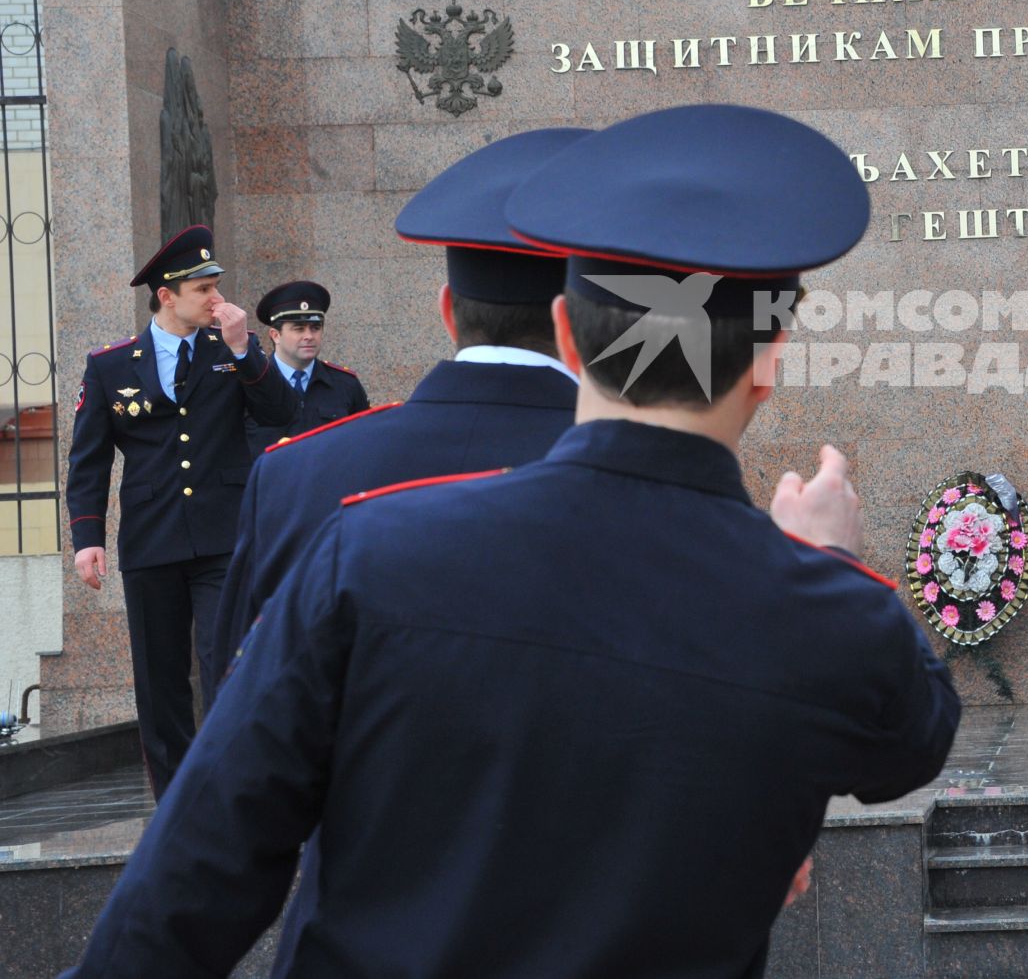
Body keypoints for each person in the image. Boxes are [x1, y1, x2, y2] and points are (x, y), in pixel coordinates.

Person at [65, 106, 960, 978]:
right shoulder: (819, 612)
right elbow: (912, 738)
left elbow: (202, 864)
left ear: (571, 334)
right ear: (768, 362)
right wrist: (825, 562)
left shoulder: (368, 552)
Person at [211, 129, 590, 684]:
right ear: (574, 321)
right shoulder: (658, 482)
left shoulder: (291, 477)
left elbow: (239, 713)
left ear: (448, 312)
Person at [65, 225, 296, 799]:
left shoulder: (231, 353)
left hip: (223, 536)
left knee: (227, 662)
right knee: (160, 677)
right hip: (152, 538)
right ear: (166, 296)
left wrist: (247, 350)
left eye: (217, 286)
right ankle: (175, 800)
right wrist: (87, 538)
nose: (217, 300)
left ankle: (230, 784)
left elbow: (280, 412)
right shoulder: (111, 365)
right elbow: (89, 461)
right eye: (203, 290)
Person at [244, 280, 371, 456]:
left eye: (315, 328)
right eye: (299, 329)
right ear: (275, 335)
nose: (309, 336)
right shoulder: (252, 384)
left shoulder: (344, 384)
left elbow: (364, 443)